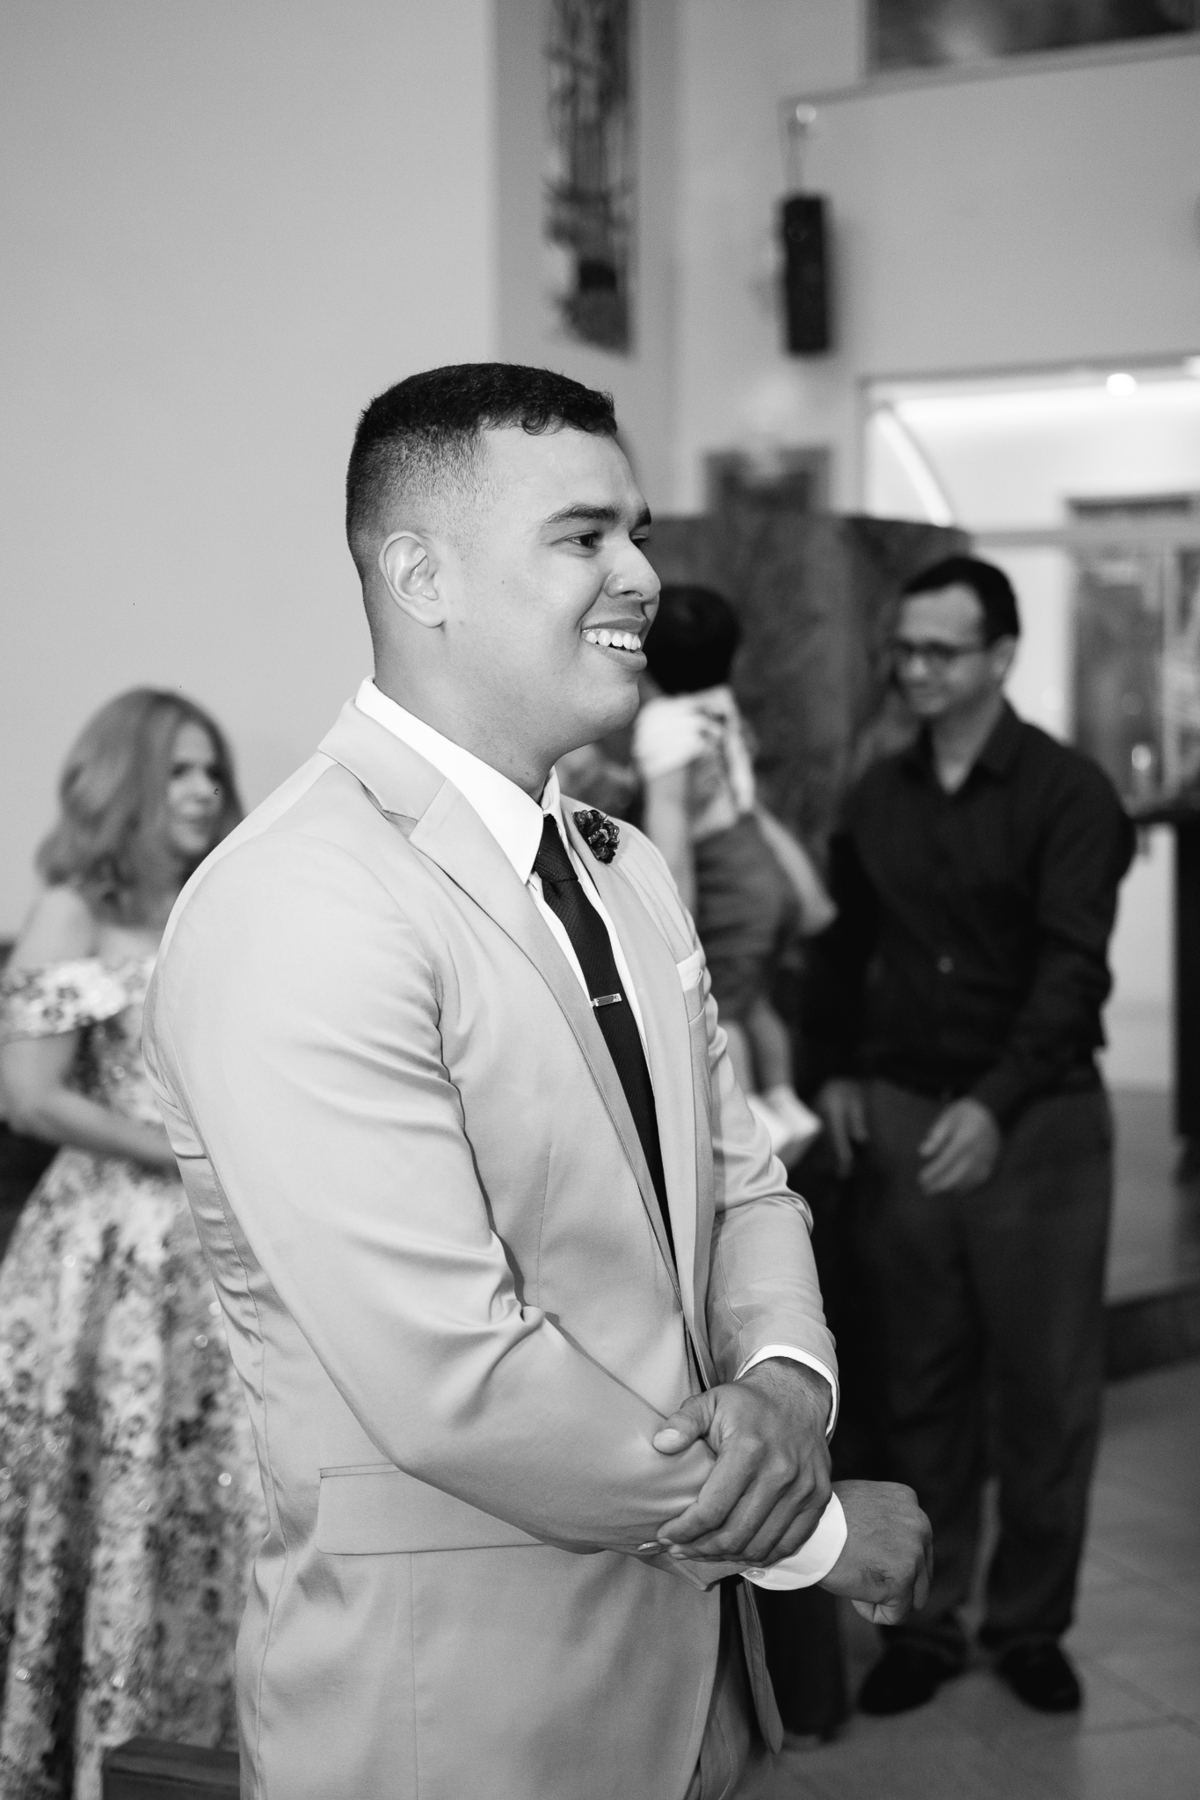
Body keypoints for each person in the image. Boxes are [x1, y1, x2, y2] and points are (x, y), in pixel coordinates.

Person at [143, 362, 931, 1800]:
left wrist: (782, 1381)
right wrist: (804, 1535)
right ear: (421, 576)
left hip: (689, 1680)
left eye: (637, 532)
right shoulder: (299, 902)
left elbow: (740, 1182)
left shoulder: (622, 869)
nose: (642, 575)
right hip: (459, 1705)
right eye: (583, 536)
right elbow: (451, 1378)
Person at [809, 555, 1134, 1718]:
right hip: (906, 1111)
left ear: (1001, 656)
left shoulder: (1069, 794)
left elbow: (1073, 972)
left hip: (1036, 1122)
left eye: (940, 651)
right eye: (903, 649)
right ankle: (926, 1625)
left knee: (1046, 1392)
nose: (915, 670)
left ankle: (1029, 1625)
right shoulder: (878, 794)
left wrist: (994, 1104)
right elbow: (844, 945)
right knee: (922, 1384)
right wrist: (834, 1068)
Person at [0, 690, 265, 1800]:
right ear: (126, 782)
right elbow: (28, 1096)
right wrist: (181, 1152)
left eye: (213, 770)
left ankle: (211, 1754)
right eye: (180, 770)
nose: (205, 789)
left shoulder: (227, 901)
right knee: (113, 1496)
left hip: (225, 1244)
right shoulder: (74, 911)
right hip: (107, 1254)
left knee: (214, 1509)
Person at [635, 585, 831, 1164]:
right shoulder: (718, 703)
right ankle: (787, 1101)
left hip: (727, 874)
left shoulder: (663, 725)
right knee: (757, 997)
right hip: (762, 864)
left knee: (725, 1006)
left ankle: (755, 1120)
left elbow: (671, 835)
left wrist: (674, 920)